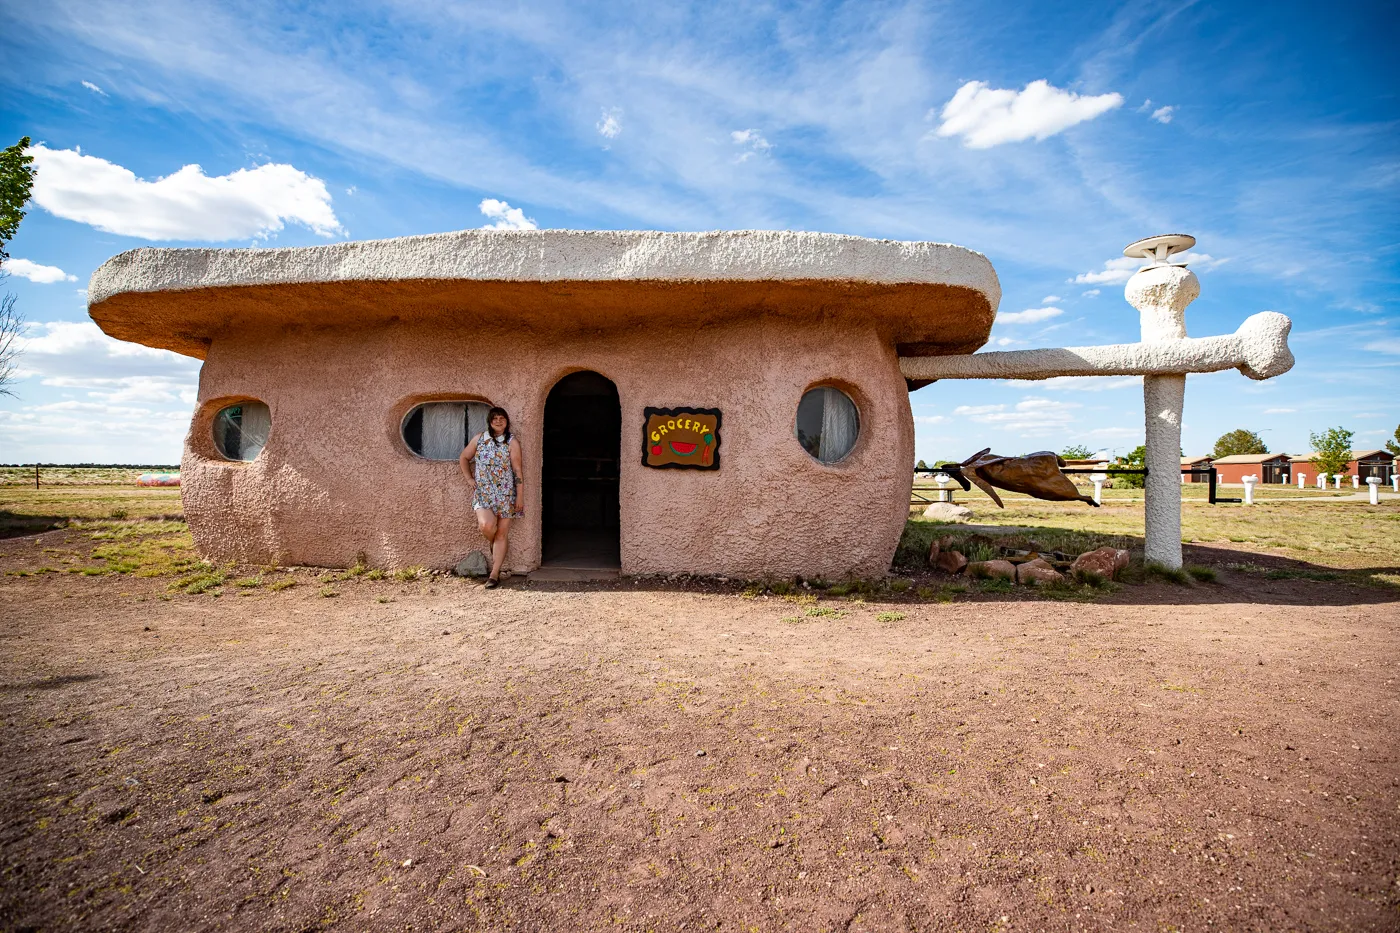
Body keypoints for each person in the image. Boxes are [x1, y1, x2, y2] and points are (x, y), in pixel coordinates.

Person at [460, 407, 523, 588]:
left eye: (502, 418)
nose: (498, 421)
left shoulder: (512, 442)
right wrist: (469, 479)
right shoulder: (480, 439)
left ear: (507, 421)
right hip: (483, 493)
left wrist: (520, 497)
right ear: (489, 421)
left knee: (502, 533)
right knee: (486, 525)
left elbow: (518, 471)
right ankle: (494, 544)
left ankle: (494, 574)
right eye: (494, 418)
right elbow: (464, 457)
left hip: (506, 494)